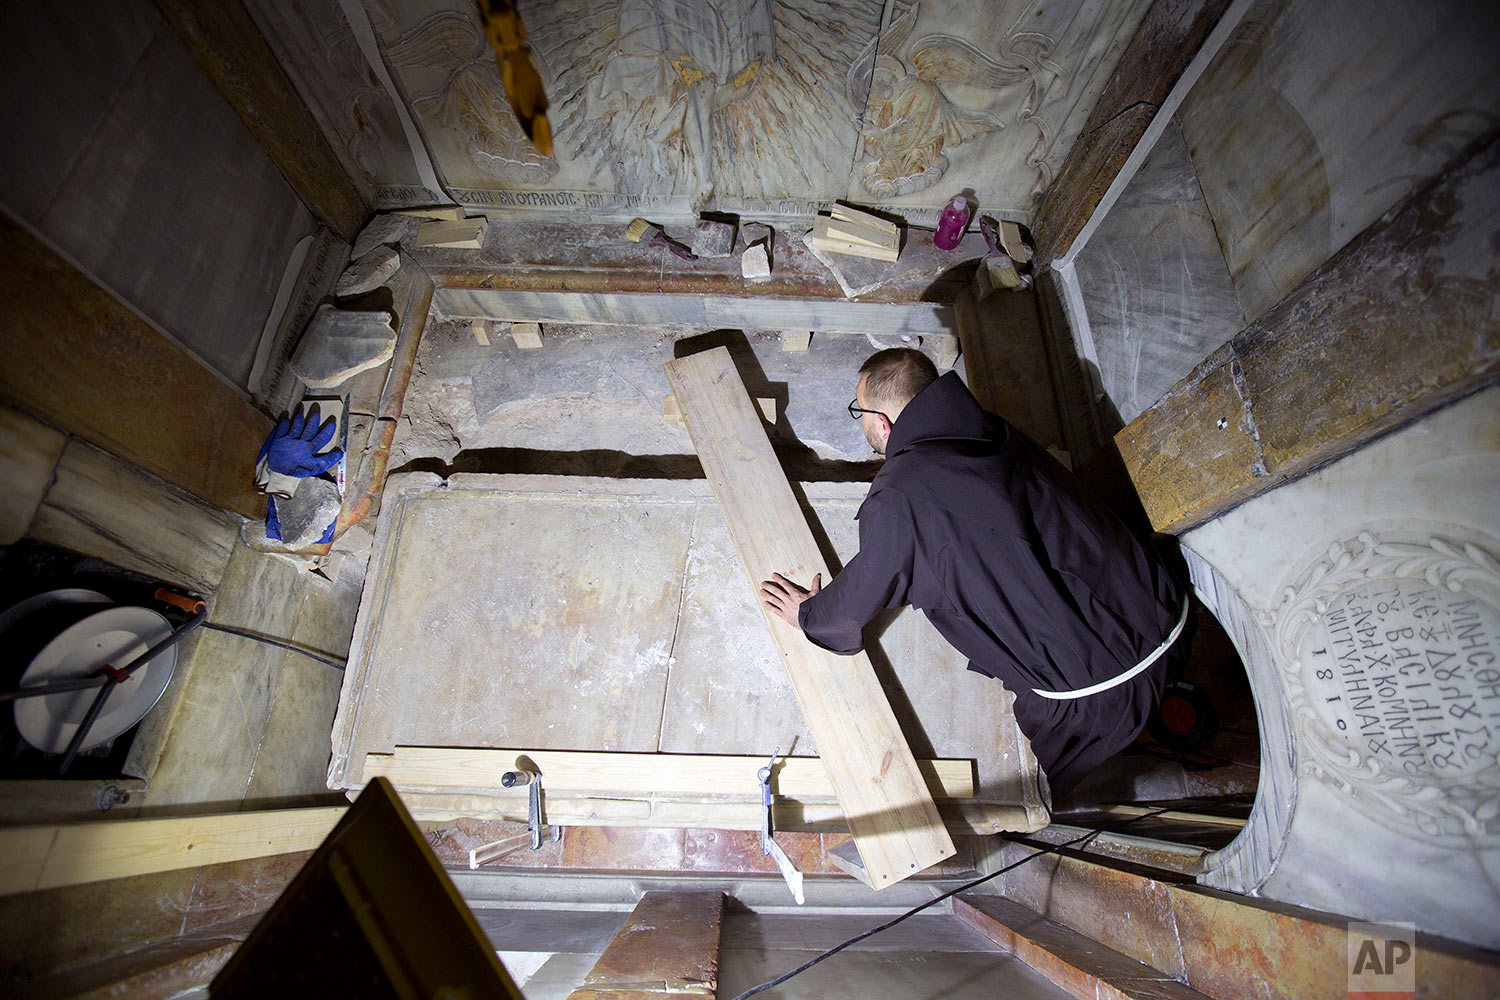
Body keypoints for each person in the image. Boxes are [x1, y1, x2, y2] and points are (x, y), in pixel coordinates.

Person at [759, 348, 1192, 799]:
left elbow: (864, 589)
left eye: (860, 412)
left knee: (1071, 774)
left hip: (1101, 702)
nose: (862, 423)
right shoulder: (990, 428)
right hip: (1165, 616)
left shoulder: (899, 495)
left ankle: (1137, 776)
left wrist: (809, 615)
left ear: (883, 423)